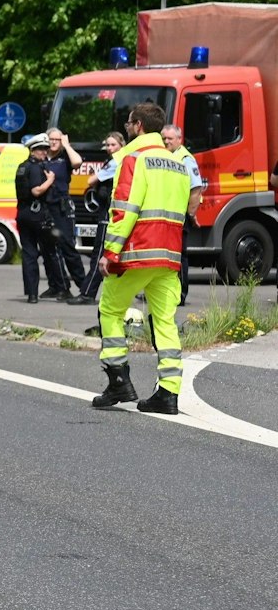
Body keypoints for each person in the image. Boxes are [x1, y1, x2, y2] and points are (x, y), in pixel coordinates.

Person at [91, 102, 193, 414]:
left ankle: (119, 381)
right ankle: (168, 393)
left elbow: (125, 209)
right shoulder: (178, 161)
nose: (126, 126)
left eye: (129, 122)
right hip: (169, 255)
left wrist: (110, 252)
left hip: (137, 252)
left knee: (109, 310)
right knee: (164, 322)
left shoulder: (134, 158)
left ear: (138, 126)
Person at [13, 135, 74, 303]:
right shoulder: (35, 168)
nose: (44, 152)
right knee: (52, 251)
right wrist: (50, 180)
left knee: (29, 254)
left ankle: (32, 294)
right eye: (41, 150)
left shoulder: (21, 167)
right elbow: (36, 191)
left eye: (45, 149)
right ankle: (62, 288)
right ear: (32, 151)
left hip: (23, 214)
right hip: (37, 215)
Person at [75, 131, 124, 309]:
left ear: (121, 145)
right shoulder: (118, 160)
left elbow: (90, 180)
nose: (109, 148)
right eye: (108, 145)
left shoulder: (116, 162)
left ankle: (88, 293)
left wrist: (97, 178)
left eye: (113, 145)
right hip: (111, 212)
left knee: (99, 255)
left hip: (108, 214)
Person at [161, 123, 205, 306]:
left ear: (179, 139)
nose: (166, 141)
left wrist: (190, 214)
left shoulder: (185, 158)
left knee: (178, 256)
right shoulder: (165, 155)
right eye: (164, 138)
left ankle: (180, 294)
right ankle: (164, 292)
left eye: (170, 138)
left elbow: (196, 189)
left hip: (179, 215)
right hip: (165, 214)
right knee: (165, 256)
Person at [43, 128, 91, 293]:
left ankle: (83, 286)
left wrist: (67, 145)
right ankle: (58, 286)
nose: (54, 142)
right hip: (45, 206)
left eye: (57, 139)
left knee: (67, 246)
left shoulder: (64, 158)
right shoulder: (42, 157)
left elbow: (78, 162)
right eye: (51, 139)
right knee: (48, 249)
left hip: (62, 207)